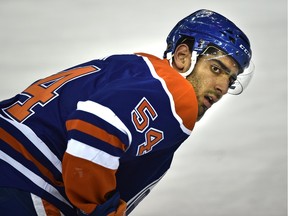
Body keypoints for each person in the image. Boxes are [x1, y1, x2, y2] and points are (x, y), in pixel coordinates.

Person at [0, 9, 254, 216]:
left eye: (230, 81)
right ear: (183, 56)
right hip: (23, 185)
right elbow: (95, 130)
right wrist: (102, 209)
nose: (222, 87)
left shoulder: (127, 67)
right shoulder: (173, 93)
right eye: (216, 70)